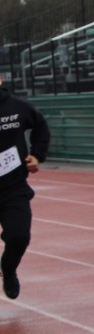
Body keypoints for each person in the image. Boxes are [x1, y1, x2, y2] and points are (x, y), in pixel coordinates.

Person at [0, 75, 50, 299]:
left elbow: (41, 126)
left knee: (19, 237)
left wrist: (37, 155)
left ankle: (8, 269)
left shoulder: (17, 107)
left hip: (13, 188)